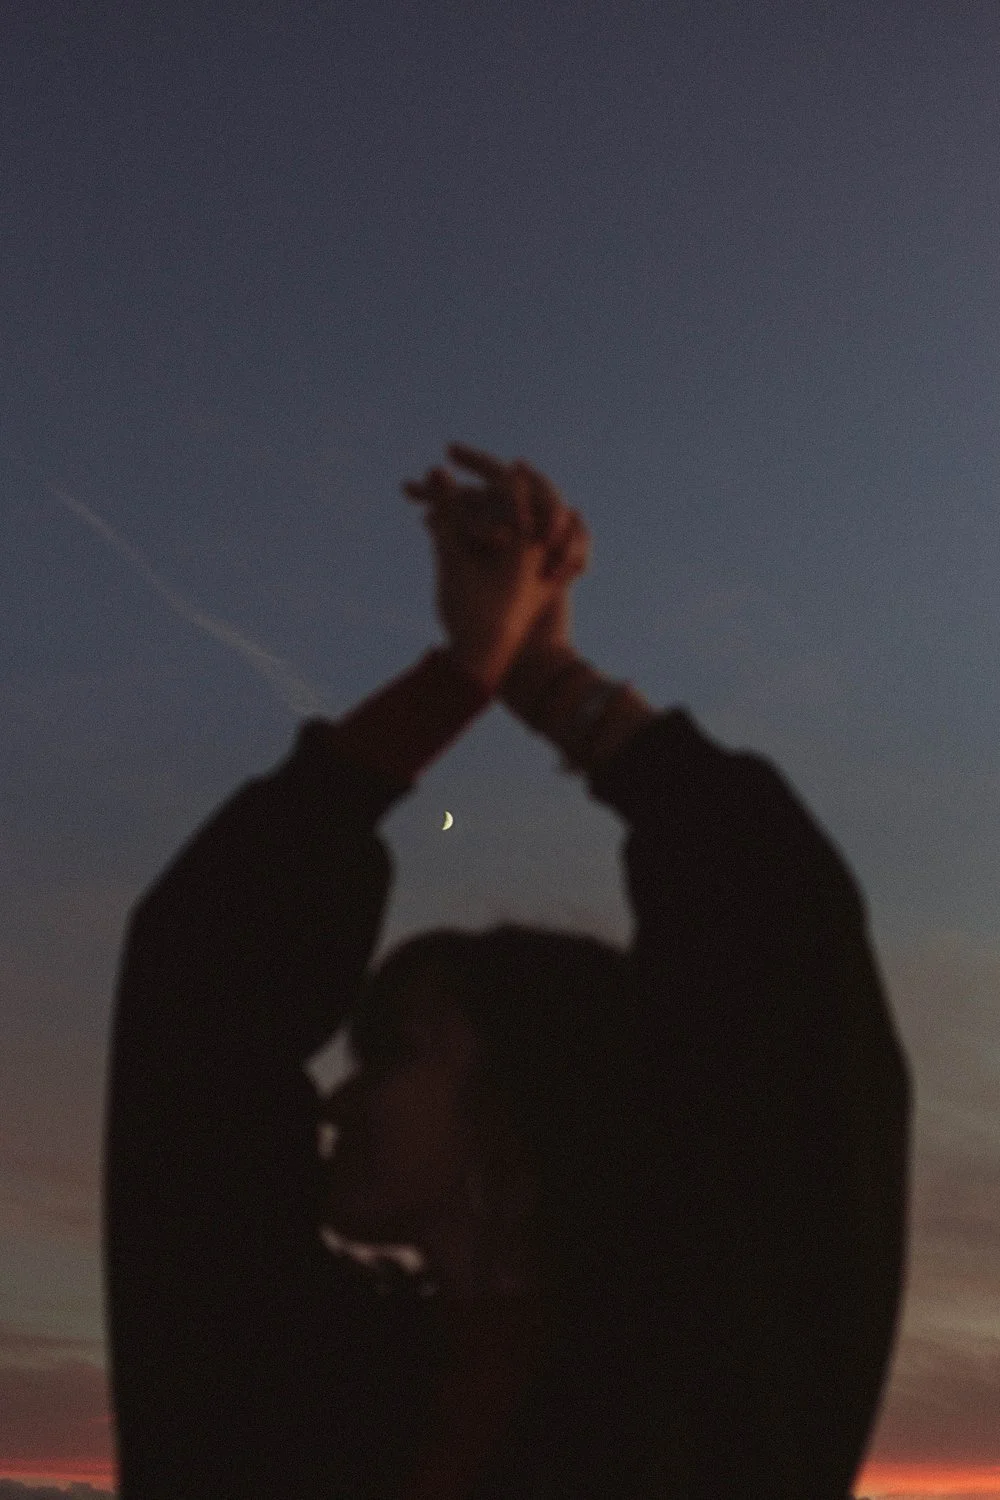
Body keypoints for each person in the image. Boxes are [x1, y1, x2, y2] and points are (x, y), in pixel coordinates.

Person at [103, 442, 912, 1498]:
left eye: (393, 1055)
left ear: (525, 1097)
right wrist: (463, 675)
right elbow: (195, 995)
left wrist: (552, 684)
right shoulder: (290, 1379)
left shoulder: (718, 1376)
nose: (338, 1098)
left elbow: (785, 957)